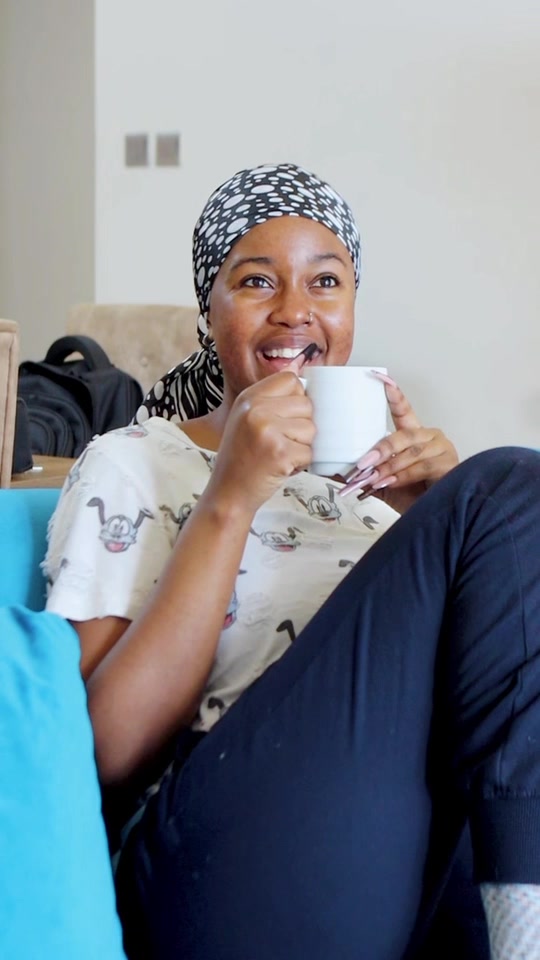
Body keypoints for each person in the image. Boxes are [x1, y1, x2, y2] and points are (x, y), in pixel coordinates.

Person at [44, 162, 540, 960]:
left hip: (398, 843)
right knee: (511, 481)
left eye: (326, 281)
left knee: (507, 510)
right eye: (255, 281)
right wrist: (230, 497)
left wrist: (435, 523)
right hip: (217, 855)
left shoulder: (379, 493)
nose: (295, 310)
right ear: (208, 310)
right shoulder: (135, 461)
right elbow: (105, 753)